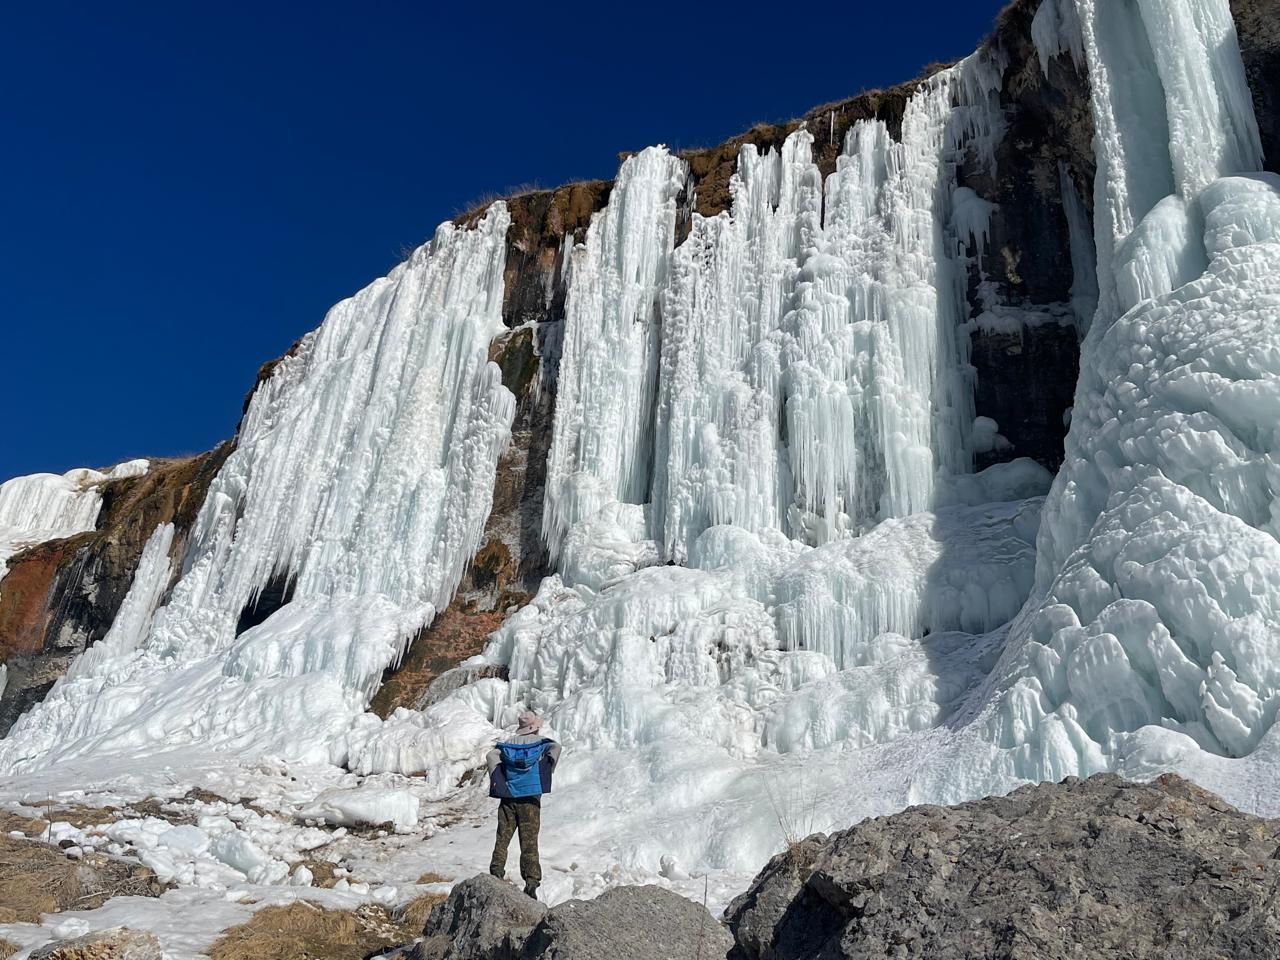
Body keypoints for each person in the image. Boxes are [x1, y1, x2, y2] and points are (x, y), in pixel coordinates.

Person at [487, 709, 561, 899]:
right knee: (529, 842)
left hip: (509, 797)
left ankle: (496, 870)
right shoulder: (541, 743)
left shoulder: (509, 744)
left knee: (503, 836)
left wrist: (500, 778)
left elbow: (491, 757)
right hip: (531, 799)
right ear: (534, 728)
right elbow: (556, 748)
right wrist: (546, 768)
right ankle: (531, 882)